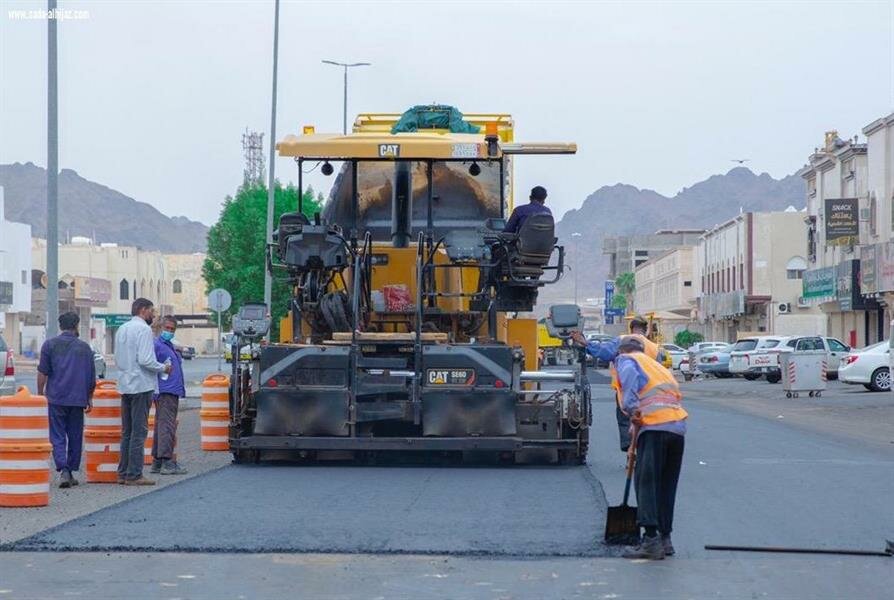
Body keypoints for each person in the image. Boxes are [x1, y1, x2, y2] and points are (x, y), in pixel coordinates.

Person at [613, 335, 687, 560]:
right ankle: (666, 539)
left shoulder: (627, 360)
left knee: (646, 482)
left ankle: (651, 541)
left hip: (654, 427)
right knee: (666, 485)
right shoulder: (656, 366)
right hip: (676, 428)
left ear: (622, 351)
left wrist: (633, 410)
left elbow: (630, 385)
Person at [571, 315, 666, 452]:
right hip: (649, 391)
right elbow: (659, 370)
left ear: (631, 328)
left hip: (626, 389)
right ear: (645, 330)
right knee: (648, 419)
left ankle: (630, 448)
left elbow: (605, 352)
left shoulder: (623, 340)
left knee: (625, 418)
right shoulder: (654, 347)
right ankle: (645, 444)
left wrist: (586, 343)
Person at [114, 298, 171, 486]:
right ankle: (134, 474)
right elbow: (146, 359)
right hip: (141, 385)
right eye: (151, 311)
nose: (153, 315)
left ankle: (123, 472)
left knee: (127, 432)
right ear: (142, 310)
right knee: (139, 432)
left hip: (125, 384)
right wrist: (163, 368)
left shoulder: (122, 329)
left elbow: (119, 358)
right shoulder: (143, 330)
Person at [37, 312, 96, 488]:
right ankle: (70, 469)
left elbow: (42, 373)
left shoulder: (50, 345)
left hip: (56, 398)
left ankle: (63, 469)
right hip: (77, 399)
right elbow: (91, 377)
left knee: (57, 435)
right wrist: (90, 397)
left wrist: (41, 394)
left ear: (61, 326)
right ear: (76, 325)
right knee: (75, 435)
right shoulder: (84, 348)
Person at [150, 315, 187, 475]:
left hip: (170, 389)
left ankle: (158, 461)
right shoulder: (157, 345)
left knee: (162, 425)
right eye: (167, 328)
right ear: (160, 328)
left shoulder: (168, 345)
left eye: (172, 329)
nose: (170, 331)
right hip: (166, 390)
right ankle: (166, 461)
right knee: (167, 426)